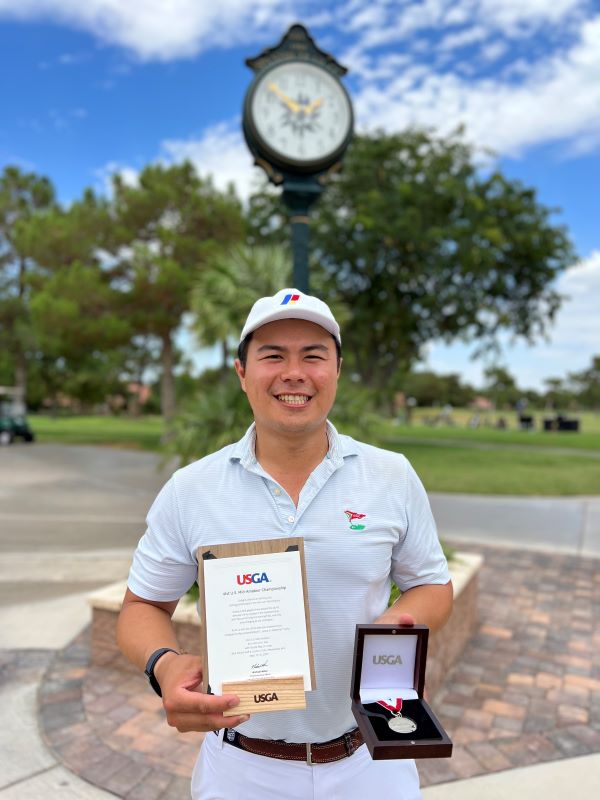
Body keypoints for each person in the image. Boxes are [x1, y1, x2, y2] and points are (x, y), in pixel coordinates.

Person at [117, 288, 453, 799]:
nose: (294, 372)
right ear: (242, 373)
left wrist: (394, 625)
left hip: (371, 760)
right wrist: (163, 664)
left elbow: (431, 583)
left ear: (337, 371)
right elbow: (142, 605)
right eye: (273, 355)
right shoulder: (191, 489)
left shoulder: (392, 476)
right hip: (241, 767)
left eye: (313, 355)